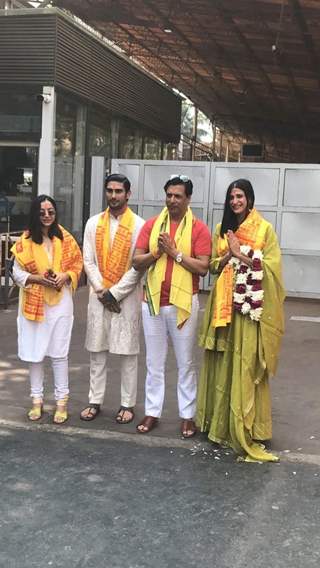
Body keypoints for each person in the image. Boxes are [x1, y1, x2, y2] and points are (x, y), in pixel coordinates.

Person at [197, 179, 285, 462]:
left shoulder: (264, 229)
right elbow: (211, 266)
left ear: (249, 198)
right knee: (223, 363)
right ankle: (219, 426)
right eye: (232, 196)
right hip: (223, 306)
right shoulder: (222, 230)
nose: (235, 201)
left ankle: (248, 427)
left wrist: (240, 255)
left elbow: (271, 269)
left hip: (248, 309)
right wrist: (226, 257)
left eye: (240, 196)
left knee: (246, 365)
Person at [133, 175, 211, 437]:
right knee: (154, 362)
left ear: (188, 199)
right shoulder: (153, 225)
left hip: (183, 304)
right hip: (153, 302)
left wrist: (175, 253)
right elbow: (136, 261)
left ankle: (187, 415)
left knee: (185, 363)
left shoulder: (199, 229)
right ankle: (152, 412)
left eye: (178, 196)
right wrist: (158, 252)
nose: (172, 200)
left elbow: (202, 267)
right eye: (169, 195)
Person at [11, 195, 83, 424]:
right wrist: (38, 279)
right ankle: (36, 401)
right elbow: (16, 273)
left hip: (61, 303)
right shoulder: (25, 241)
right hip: (34, 302)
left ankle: (62, 403)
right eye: (42, 212)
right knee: (35, 355)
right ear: (35, 214)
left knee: (60, 354)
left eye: (51, 211)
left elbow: (76, 265)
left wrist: (65, 276)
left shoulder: (65, 237)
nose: (47, 216)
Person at [80, 173, 144, 424]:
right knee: (97, 351)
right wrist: (101, 290)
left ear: (128, 194)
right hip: (98, 296)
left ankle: (127, 404)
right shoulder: (93, 223)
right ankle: (95, 401)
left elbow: (139, 266)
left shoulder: (139, 225)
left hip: (125, 298)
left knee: (128, 354)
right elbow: (88, 260)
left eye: (119, 191)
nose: (114, 195)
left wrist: (114, 293)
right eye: (110, 191)